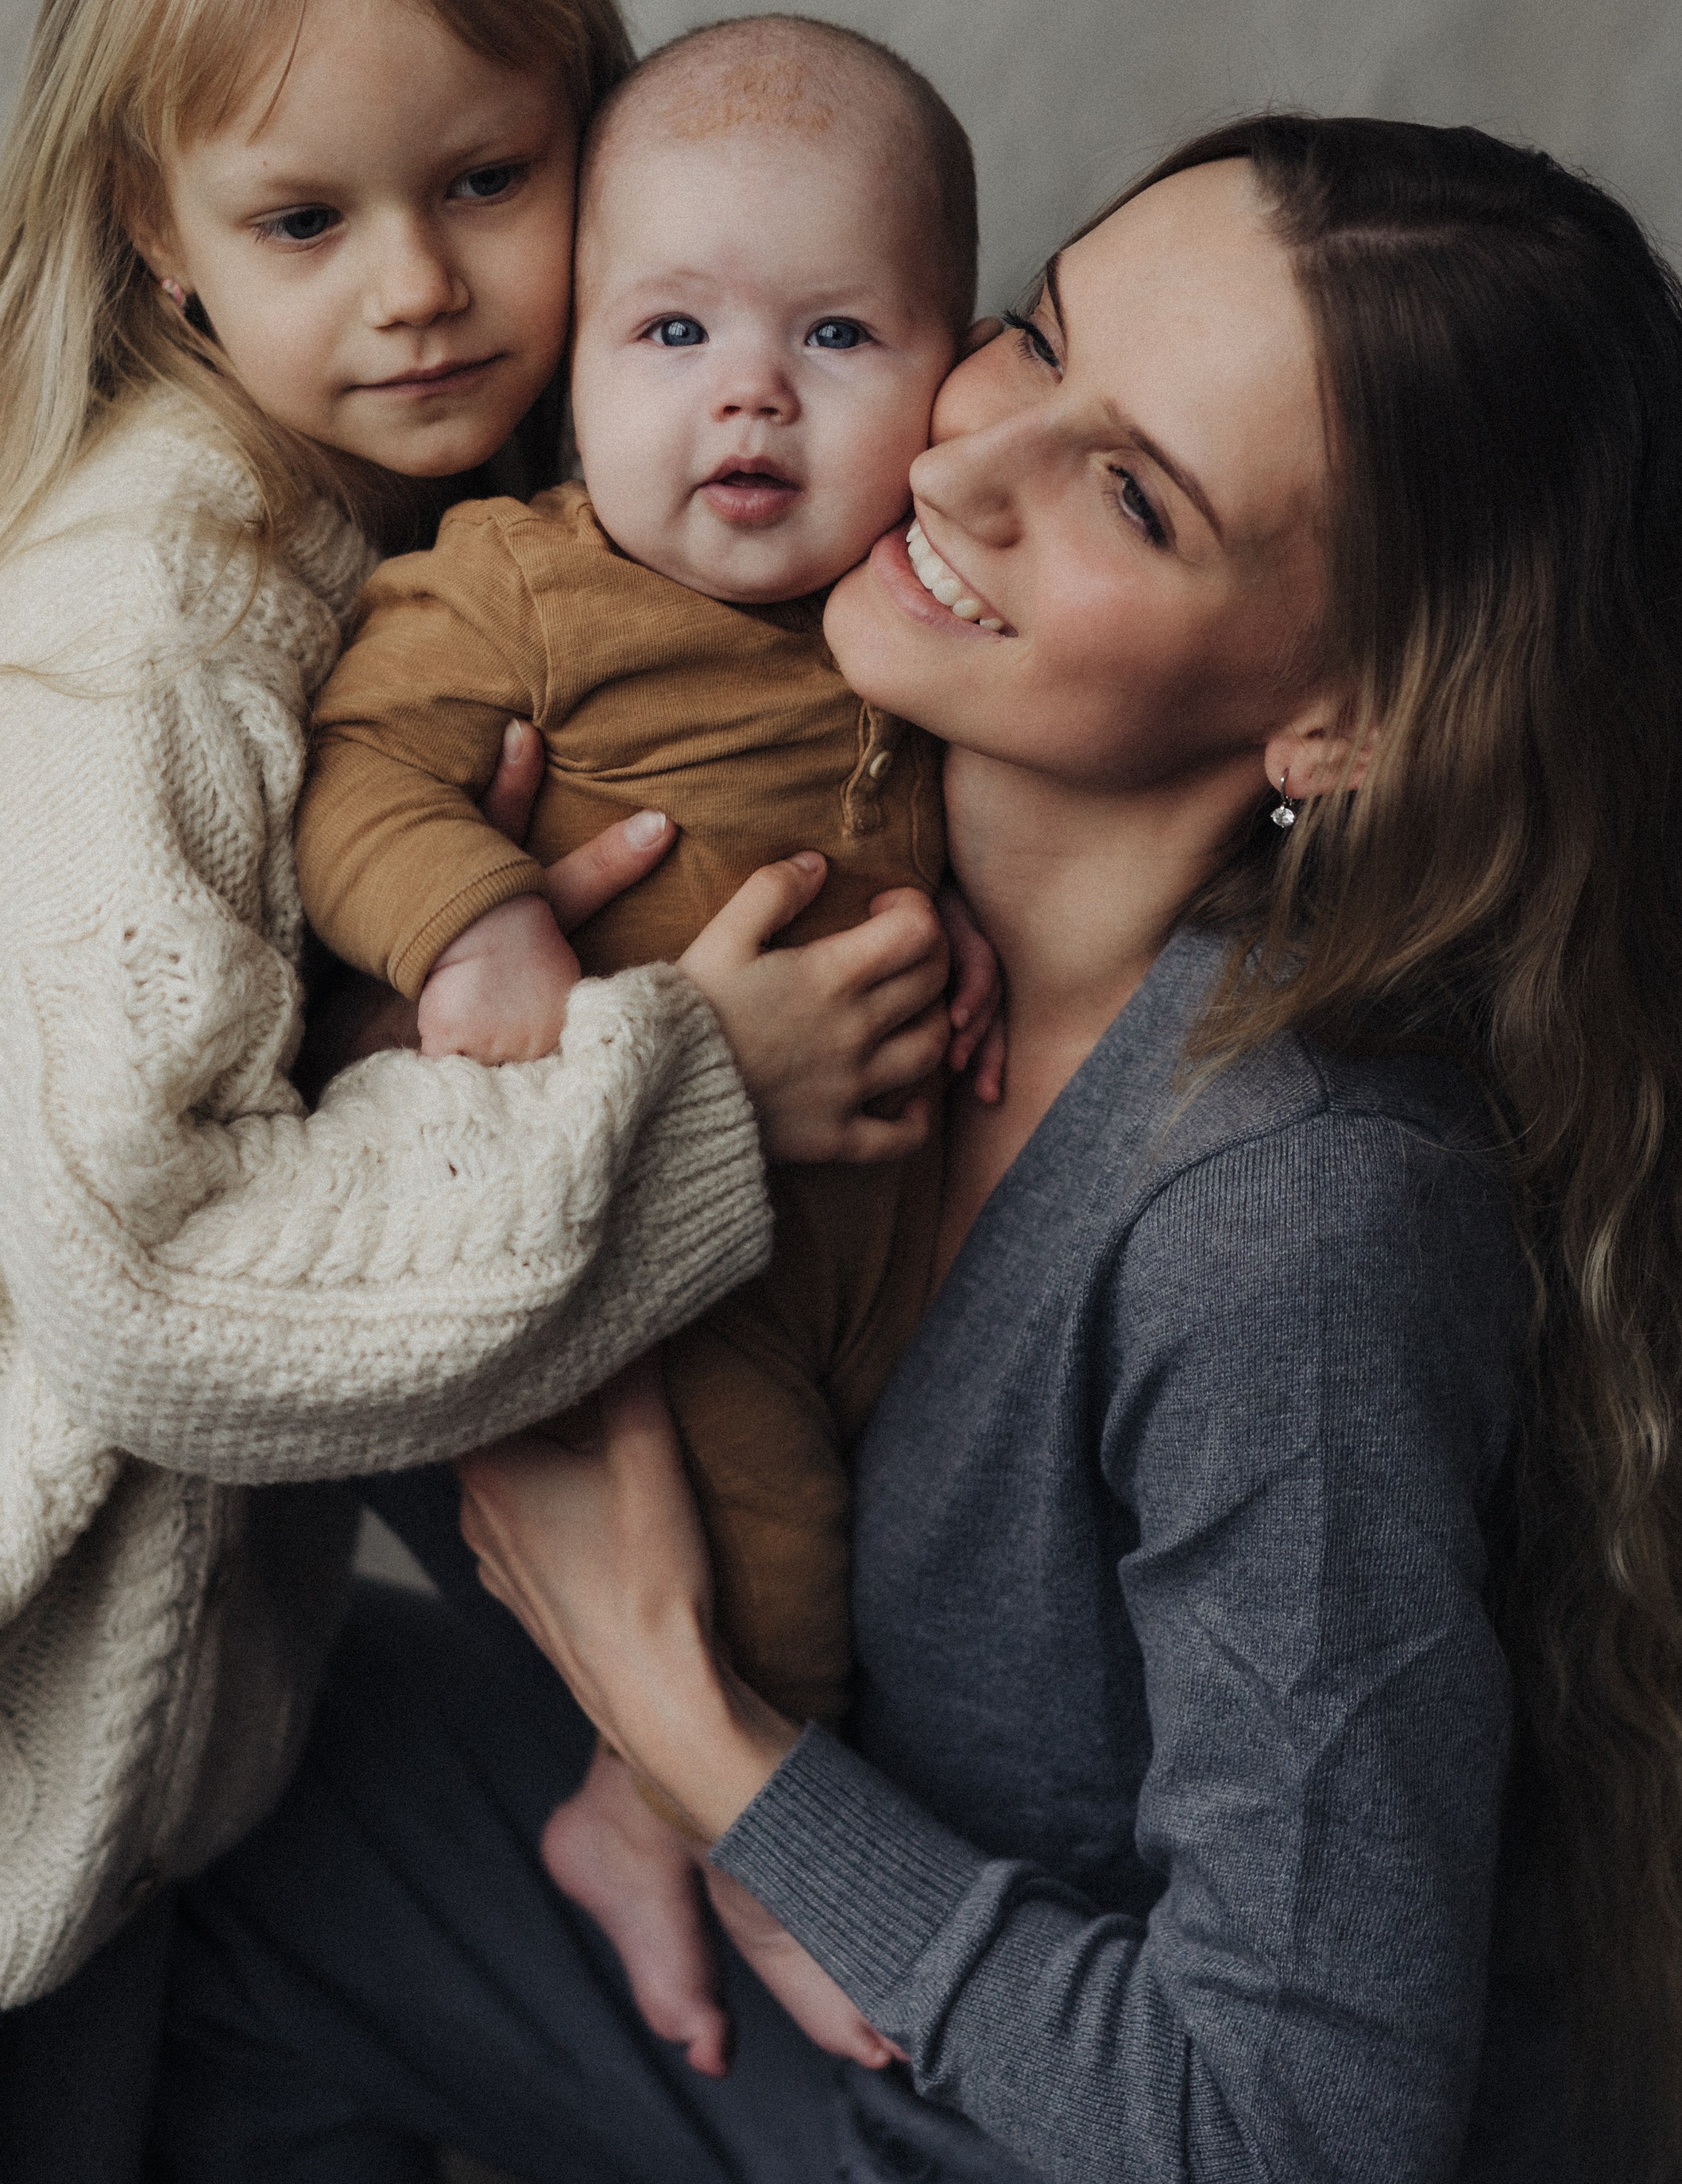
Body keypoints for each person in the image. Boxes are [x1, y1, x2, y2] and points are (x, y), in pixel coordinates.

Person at [0, 0, 957, 2184]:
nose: (424, 289)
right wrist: (695, 1088)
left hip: (104, 1798)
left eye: (489, 178)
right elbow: (159, 1293)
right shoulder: (150, 608)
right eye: (303, 221)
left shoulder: (481, 567)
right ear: (156, 229)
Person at [154, 116, 1682, 2182]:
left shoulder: (1291, 1225)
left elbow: (1292, 2138)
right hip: (810, 1967)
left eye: (1130, 490)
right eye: (1035, 338)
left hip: (1031, 2124)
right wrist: (420, 999)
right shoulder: (763, 751)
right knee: (175, 1780)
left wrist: (694, 1735)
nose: (961, 471)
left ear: (1345, 720)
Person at [299, 13, 1001, 2075]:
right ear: (576, 360)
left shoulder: (919, 610)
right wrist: (480, 924)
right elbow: (360, 781)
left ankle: (635, 1812)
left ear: (955, 369)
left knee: (886, 1568)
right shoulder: (520, 587)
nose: (751, 394)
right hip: (673, 1267)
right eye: (671, 332)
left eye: (842, 340)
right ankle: (726, 1841)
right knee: (769, 1574)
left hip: (880, 1249)